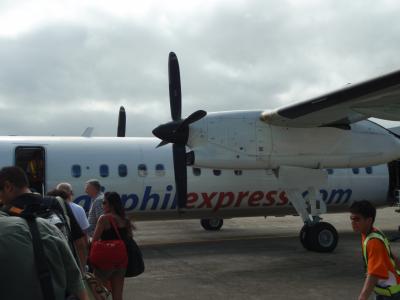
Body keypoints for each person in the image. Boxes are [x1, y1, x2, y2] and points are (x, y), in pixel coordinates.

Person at [0, 166, 88, 300]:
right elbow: (81, 243)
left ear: (8, 186)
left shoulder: (6, 213)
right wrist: (80, 277)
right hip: (66, 290)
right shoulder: (57, 203)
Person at [350, 200, 400, 300]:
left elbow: (374, 274)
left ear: (369, 220)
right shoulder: (373, 232)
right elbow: (392, 256)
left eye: (357, 219)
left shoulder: (373, 242)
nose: (353, 222)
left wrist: (363, 297)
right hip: (386, 292)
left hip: (390, 295)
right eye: (351, 218)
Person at [92, 192, 132, 300]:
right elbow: (129, 239)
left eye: (104, 203)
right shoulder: (125, 219)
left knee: (99, 292)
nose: (102, 205)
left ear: (111, 205)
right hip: (121, 260)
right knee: (118, 295)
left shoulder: (104, 218)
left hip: (105, 260)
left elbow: (94, 240)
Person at [47, 187, 89, 273]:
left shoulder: (42, 217)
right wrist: (82, 270)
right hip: (70, 262)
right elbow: (81, 242)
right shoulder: (73, 211)